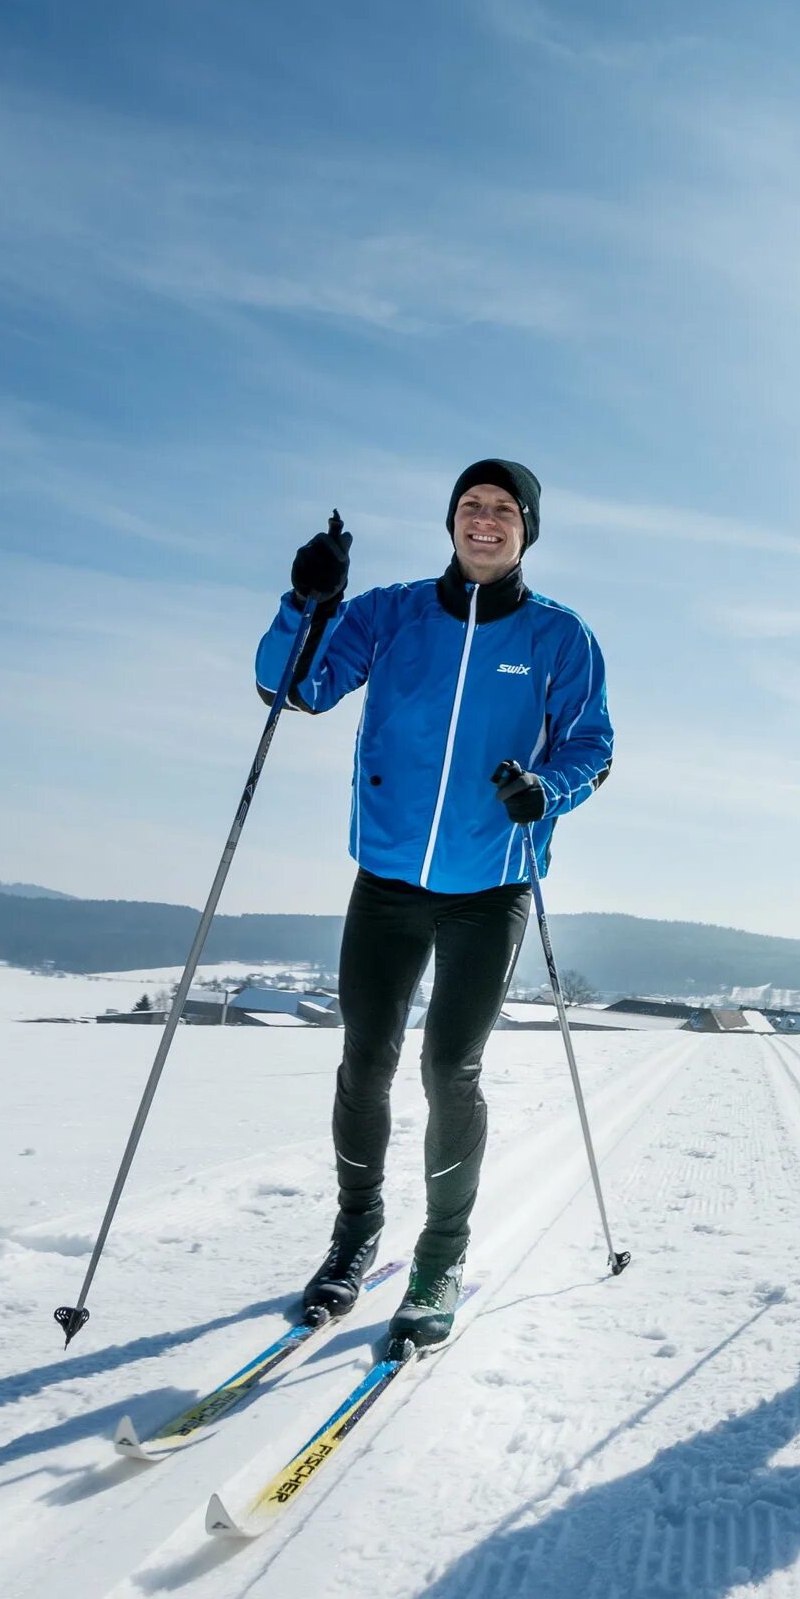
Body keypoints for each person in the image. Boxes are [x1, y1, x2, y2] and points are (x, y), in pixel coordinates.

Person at [253, 460, 612, 1359]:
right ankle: (353, 1236)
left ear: (527, 529)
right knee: (364, 1059)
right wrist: (307, 601)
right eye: (469, 508)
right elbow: (296, 688)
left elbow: (592, 746)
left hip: (490, 888)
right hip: (386, 883)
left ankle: (440, 1257)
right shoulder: (390, 611)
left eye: (502, 511)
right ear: (449, 521)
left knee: (450, 1069)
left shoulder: (560, 636)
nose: (483, 523)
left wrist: (546, 788)